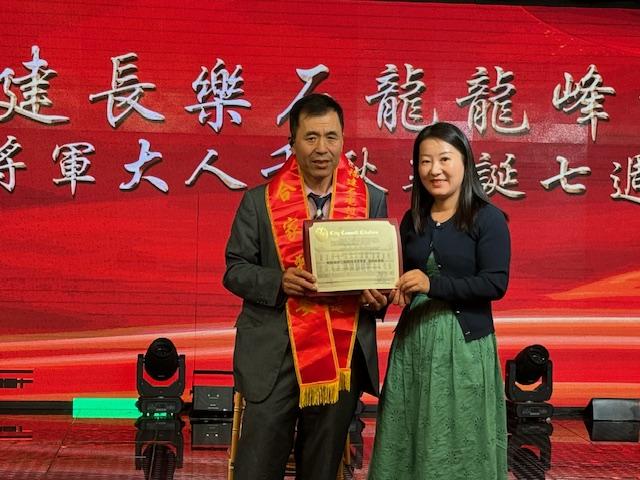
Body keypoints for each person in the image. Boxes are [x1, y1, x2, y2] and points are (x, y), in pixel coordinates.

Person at [223, 93, 388, 480]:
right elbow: (235, 270)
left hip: (340, 354)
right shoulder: (259, 202)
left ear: (343, 140)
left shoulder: (371, 200)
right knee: (256, 467)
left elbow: (381, 279)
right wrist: (278, 281)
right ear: (292, 142)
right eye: (311, 137)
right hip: (274, 351)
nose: (322, 148)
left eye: (331, 137)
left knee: (321, 468)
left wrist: (377, 298)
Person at [368, 122, 510, 479]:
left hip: (464, 347)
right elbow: (400, 279)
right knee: (409, 435)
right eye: (425, 161)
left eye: (445, 159)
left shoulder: (488, 218)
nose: (435, 169)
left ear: (465, 162)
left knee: (460, 439)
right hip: (414, 345)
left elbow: (494, 283)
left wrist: (431, 284)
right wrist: (386, 295)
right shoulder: (412, 220)